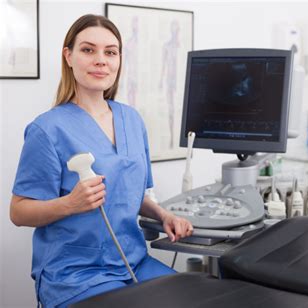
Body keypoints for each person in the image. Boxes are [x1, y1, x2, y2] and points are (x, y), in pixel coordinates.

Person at [9, 14, 193, 308]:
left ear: (119, 60)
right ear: (68, 56)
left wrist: (163, 215)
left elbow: (129, 193)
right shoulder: (47, 129)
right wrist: (70, 204)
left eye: (110, 52)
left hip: (134, 262)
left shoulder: (132, 120)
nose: (101, 60)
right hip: (75, 273)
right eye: (88, 50)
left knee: (192, 297)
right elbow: (18, 212)